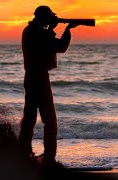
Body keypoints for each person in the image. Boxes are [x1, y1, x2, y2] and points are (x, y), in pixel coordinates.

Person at [19, 5, 78, 167]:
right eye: (48, 18)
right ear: (43, 18)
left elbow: (53, 44)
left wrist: (55, 29)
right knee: (49, 121)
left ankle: (25, 154)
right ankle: (49, 159)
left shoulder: (31, 30)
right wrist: (62, 30)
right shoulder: (36, 32)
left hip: (32, 77)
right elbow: (60, 47)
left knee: (29, 118)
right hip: (38, 77)